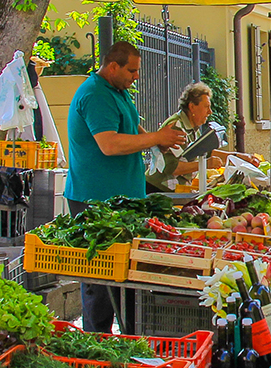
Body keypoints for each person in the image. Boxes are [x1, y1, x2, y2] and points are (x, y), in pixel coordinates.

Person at [65, 41, 186, 331]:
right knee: (100, 277)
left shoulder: (117, 91)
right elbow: (109, 144)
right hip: (96, 200)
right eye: (132, 70)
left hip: (121, 200)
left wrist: (159, 143)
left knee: (123, 274)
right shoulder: (95, 95)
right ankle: (98, 340)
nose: (136, 76)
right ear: (112, 66)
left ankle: (127, 334)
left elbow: (131, 129)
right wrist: (157, 138)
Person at [146, 81, 221, 193]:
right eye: (206, 107)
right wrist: (206, 164)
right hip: (159, 189)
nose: (210, 112)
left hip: (175, 190)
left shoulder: (192, 127)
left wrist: (239, 157)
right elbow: (173, 167)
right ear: (192, 107)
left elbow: (206, 151)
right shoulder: (177, 127)